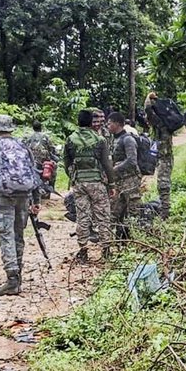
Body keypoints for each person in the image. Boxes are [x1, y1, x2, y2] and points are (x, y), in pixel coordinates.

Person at [0, 115, 41, 296]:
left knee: (6, 235)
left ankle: (12, 279)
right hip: (24, 195)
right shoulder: (22, 145)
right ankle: (18, 277)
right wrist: (37, 200)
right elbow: (33, 172)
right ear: (11, 128)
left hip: (3, 196)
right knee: (18, 235)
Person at [64, 110, 116, 261]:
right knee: (103, 216)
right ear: (90, 122)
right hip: (97, 183)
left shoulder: (70, 139)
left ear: (78, 122)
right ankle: (106, 251)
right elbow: (107, 164)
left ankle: (83, 251)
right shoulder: (100, 140)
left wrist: (74, 176)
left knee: (82, 216)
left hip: (79, 183)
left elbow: (67, 162)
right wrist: (111, 184)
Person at [107, 113, 141, 239]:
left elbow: (132, 160)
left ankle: (135, 239)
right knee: (115, 211)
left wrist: (115, 168)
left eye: (110, 123)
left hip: (130, 180)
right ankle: (118, 238)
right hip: (118, 181)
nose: (108, 126)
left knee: (133, 210)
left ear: (117, 123)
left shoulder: (128, 139)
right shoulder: (114, 139)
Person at [144, 92, 174, 219]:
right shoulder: (163, 124)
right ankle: (164, 210)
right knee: (163, 184)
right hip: (164, 157)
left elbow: (148, 110)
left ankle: (165, 213)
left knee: (163, 185)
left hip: (164, 158)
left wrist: (148, 99)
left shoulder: (160, 123)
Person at [24, 120, 59, 199]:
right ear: (41, 128)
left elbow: (24, 148)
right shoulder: (45, 137)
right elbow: (52, 149)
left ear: (33, 128)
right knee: (54, 170)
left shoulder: (29, 137)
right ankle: (50, 189)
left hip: (31, 161)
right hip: (43, 161)